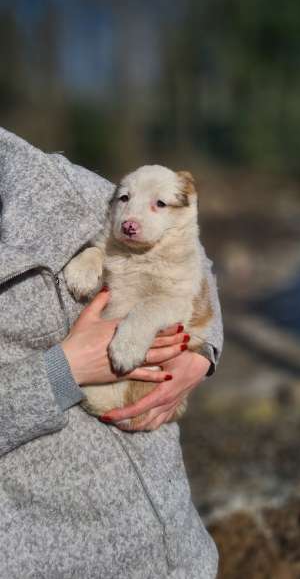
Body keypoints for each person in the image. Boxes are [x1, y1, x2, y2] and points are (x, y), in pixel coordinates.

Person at [0, 127, 223, 578]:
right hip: (48, 551)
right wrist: (60, 372)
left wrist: (201, 346)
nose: (129, 216)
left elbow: (187, 252)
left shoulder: (32, 171)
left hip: (170, 542)